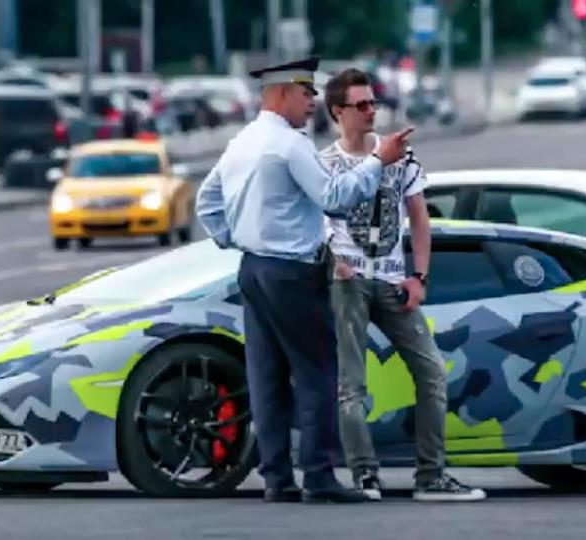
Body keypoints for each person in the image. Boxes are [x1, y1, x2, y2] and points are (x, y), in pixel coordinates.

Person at [195, 57, 415, 504]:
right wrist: (377, 161)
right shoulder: (288, 144)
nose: (313, 101)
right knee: (316, 372)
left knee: (266, 377)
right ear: (280, 94)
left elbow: (206, 203)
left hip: (254, 270)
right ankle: (318, 477)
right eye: (306, 92)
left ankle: (277, 479)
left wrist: (237, 238)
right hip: (292, 273)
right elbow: (335, 198)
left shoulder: (242, 141)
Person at [320, 68, 486, 502]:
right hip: (349, 281)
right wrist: (334, 262)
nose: (371, 110)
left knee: (431, 371)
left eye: (373, 102)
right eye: (361, 105)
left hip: (394, 279)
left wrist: (420, 275)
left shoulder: (399, 155)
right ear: (339, 112)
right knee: (351, 384)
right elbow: (312, 223)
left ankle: (431, 475)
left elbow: (418, 215)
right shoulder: (325, 164)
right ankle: (364, 474)